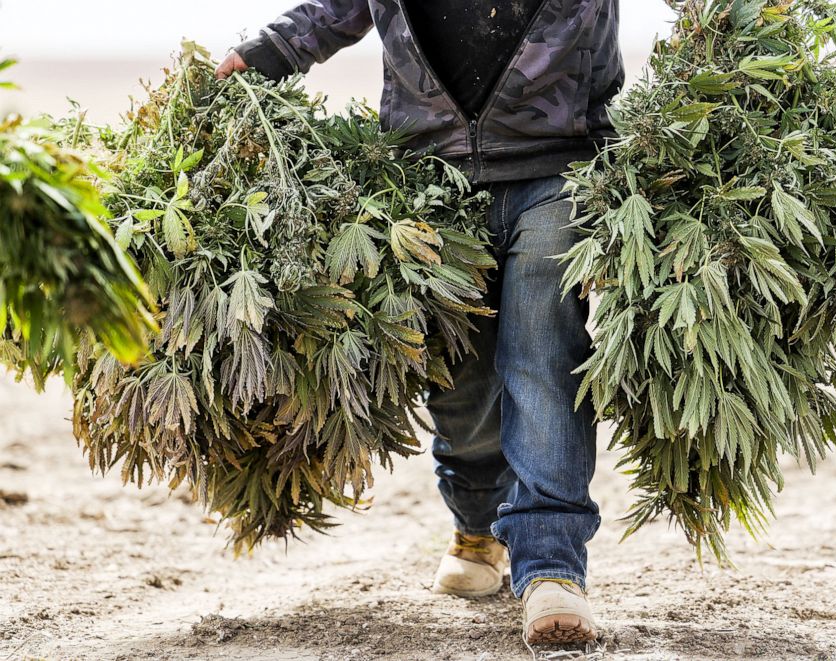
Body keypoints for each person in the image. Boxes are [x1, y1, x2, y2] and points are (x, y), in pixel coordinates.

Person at [217, 0, 623, 646]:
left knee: (543, 349)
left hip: (559, 160)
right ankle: (479, 522)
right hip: (432, 170)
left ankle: (550, 562)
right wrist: (273, 49)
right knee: (457, 375)